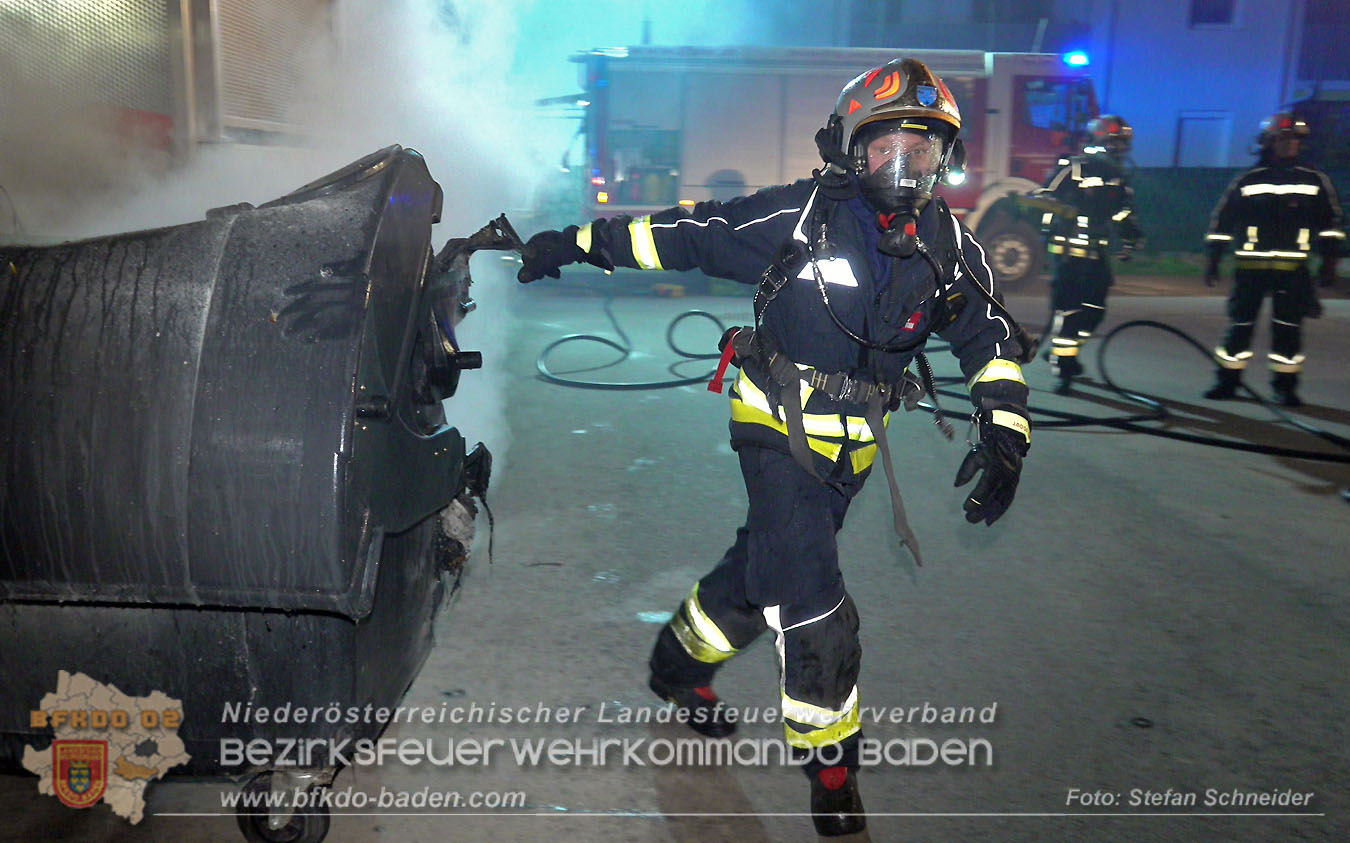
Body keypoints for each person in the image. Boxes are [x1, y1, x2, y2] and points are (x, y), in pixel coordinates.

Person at [516, 57, 1032, 837]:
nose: (905, 166)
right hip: (775, 429)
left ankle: (678, 664)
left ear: (944, 161)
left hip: (854, 451)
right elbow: (687, 235)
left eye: (923, 151)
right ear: (851, 151)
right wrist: (575, 243)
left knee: (763, 573)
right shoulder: (799, 220)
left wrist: (1004, 428)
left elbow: (988, 337)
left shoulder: (950, 246)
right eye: (888, 146)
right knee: (814, 602)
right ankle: (832, 771)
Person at [1202, 112, 1344, 406]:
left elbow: (1332, 224)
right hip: (1250, 269)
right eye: (1283, 138)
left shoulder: (1316, 179)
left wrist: (1329, 264)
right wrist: (1213, 260)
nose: (1290, 144)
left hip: (1293, 271)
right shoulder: (1248, 180)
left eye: (1295, 139)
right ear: (1267, 141)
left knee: (1289, 331)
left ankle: (1285, 387)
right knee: (1240, 327)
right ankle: (1227, 382)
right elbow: (1222, 222)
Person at [1033, 115, 1142, 392]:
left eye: (1122, 143)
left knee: (1094, 309)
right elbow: (1045, 199)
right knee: (1070, 309)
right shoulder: (1074, 167)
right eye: (1114, 142)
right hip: (1069, 254)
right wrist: (1060, 218)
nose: (1119, 149)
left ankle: (1064, 351)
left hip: (1096, 253)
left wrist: (1130, 239)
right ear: (1099, 140)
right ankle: (1064, 370)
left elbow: (1122, 212)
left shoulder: (1117, 176)